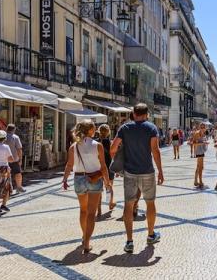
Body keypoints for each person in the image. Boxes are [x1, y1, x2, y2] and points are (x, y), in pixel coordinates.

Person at [110, 103, 164, 254]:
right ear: (147, 114)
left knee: (128, 206)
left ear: (133, 113)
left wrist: (119, 162)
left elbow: (113, 149)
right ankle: (151, 235)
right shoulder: (151, 128)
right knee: (150, 203)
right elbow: (155, 151)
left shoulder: (124, 128)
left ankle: (129, 241)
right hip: (147, 171)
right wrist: (160, 171)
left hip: (130, 173)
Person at [62, 120, 111, 254]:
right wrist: (107, 182)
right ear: (89, 130)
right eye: (94, 128)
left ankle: (84, 236)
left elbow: (69, 165)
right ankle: (87, 242)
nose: (95, 130)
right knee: (91, 213)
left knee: (83, 210)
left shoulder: (74, 146)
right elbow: (103, 166)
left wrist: (65, 179)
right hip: (94, 179)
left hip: (79, 178)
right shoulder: (98, 145)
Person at [97, 124, 116, 216]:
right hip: (109, 167)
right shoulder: (110, 142)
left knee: (98, 189)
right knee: (109, 187)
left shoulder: (96, 142)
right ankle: (110, 203)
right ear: (108, 132)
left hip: (98, 167)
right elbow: (114, 156)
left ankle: (99, 209)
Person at [4, 124, 25, 194]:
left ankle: (7, 189)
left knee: (5, 174)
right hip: (14, 159)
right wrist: (20, 159)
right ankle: (19, 187)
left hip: (4, 160)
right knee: (18, 173)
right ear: (14, 129)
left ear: (7, 129)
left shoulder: (2, 137)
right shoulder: (15, 137)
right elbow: (19, 149)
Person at [193, 123, 208, 188]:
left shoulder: (203, 133)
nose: (202, 128)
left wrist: (205, 143)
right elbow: (194, 143)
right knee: (201, 167)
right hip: (198, 151)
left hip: (201, 150)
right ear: (199, 127)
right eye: (201, 127)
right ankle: (200, 181)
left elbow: (201, 142)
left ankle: (196, 181)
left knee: (199, 166)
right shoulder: (197, 133)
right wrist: (203, 143)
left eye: (203, 127)